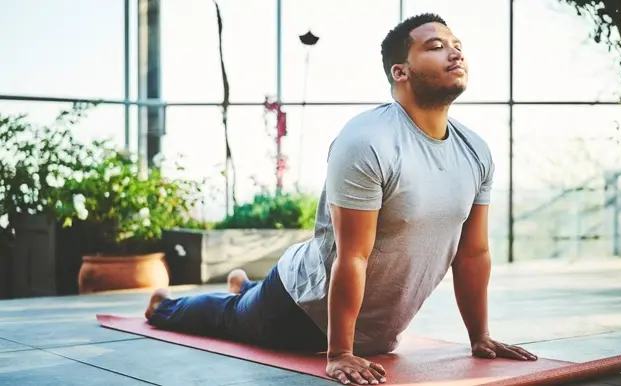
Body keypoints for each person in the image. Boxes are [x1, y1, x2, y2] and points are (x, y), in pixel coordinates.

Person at [144, 13, 537, 386]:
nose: (455, 53)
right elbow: (353, 255)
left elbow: (472, 254)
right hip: (301, 308)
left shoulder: (475, 150)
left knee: (247, 301)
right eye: (436, 46)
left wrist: (479, 336)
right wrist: (340, 352)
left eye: (457, 44)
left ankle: (244, 286)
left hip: (373, 326)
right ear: (400, 72)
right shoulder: (368, 140)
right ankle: (166, 305)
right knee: (231, 318)